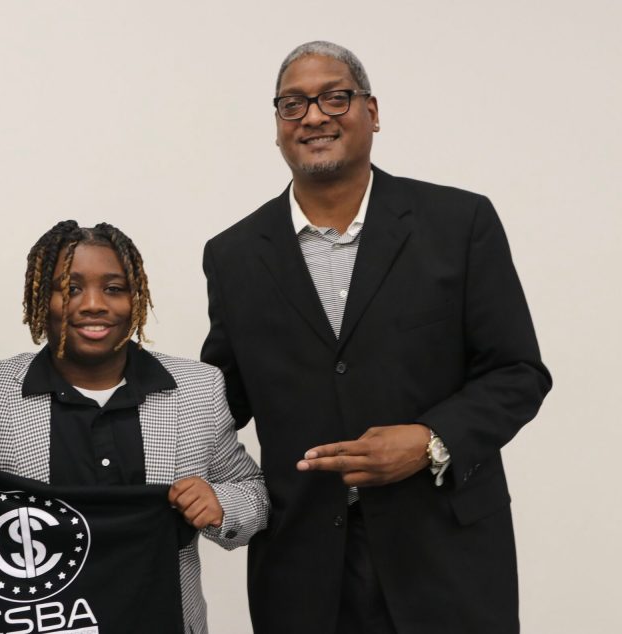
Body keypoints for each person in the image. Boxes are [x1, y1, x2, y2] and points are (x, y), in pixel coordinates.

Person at [201, 41, 552, 634]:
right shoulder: (232, 255)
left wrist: (430, 440)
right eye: (292, 104)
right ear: (278, 125)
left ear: (372, 111)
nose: (313, 116)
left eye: (334, 97)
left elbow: (517, 373)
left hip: (447, 558)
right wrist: (103, 388)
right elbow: (219, 400)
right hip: (303, 571)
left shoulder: (459, 223)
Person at [0, 221, 270, 634]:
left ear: (137, 298)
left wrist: (220, 504)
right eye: (70, 288)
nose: (94, 304)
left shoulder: (197, 388)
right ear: (41, 298)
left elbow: (254, 491)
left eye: (114, 288)